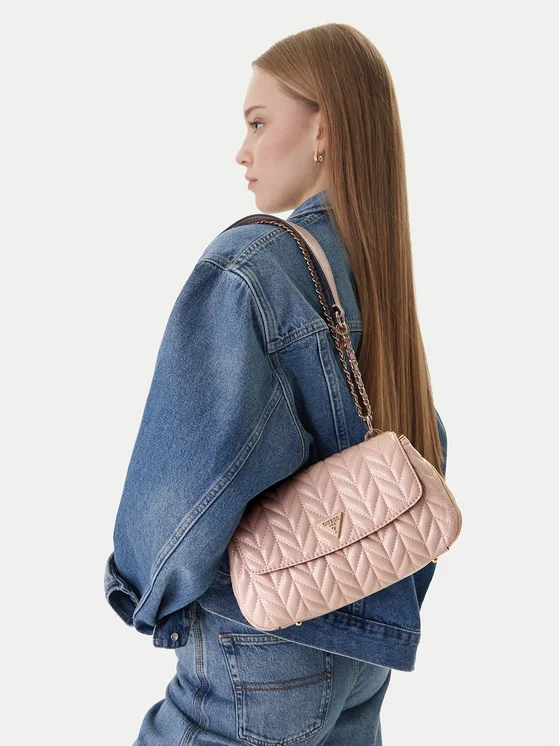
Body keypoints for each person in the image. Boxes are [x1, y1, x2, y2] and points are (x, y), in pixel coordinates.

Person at [104, 23, 448, 745]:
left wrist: (139, 590)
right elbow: (426, 448)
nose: (243, 151)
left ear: (324, 130)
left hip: (257, 650)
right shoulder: (376, 270)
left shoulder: (255, 263)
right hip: (363, 648)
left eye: (259, 123)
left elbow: (187, 487)